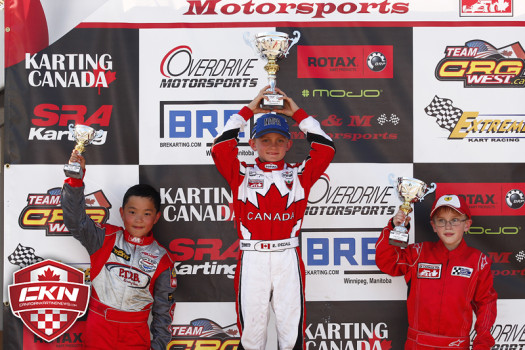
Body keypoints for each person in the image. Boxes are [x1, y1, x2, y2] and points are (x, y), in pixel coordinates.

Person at [211, 86, 335, 350]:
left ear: (290, 144)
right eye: (265, 140)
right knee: (251, 335)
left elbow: (326, 149)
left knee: (291, 334)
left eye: (280, 140)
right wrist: (249, 111)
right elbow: (220, 147)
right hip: (252, 258)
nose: (273, 146)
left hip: (287, 257)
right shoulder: (240, 173)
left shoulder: (300, 173)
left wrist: (297, 114)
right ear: (252, 143)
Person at [61, 150, 176, 350]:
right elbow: (75, 221)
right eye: (132, 212)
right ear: (122, 213)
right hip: (99, 328)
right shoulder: (104, 238)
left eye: (146, 213)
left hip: (135, 333)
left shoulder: (163, 259)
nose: (139, 219)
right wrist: (75, 181)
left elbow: (163, 313)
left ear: (156, 217)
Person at [375, 194, 497, 350]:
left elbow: (486, 304)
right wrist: (395, 227)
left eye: (455, 220)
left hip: (457, 346)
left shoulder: (479, 262)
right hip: (417, 345)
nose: (448, 226)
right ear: (433, 226)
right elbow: (388, 262)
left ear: (467, 224)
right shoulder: (418, 253)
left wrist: (482, 344)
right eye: (441, 221)